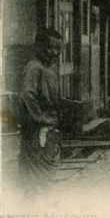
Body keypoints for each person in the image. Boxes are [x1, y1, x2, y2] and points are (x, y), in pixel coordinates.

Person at [17, 28, 63, 194]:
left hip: (49, 128)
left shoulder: (49, 69)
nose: (54, 52)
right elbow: (27, 95)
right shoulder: (34, 68)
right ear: (39, 47)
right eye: (50, 48)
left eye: (58, 49)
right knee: (37, 179)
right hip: (36, 129)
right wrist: (41, 118)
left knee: (47, 174)